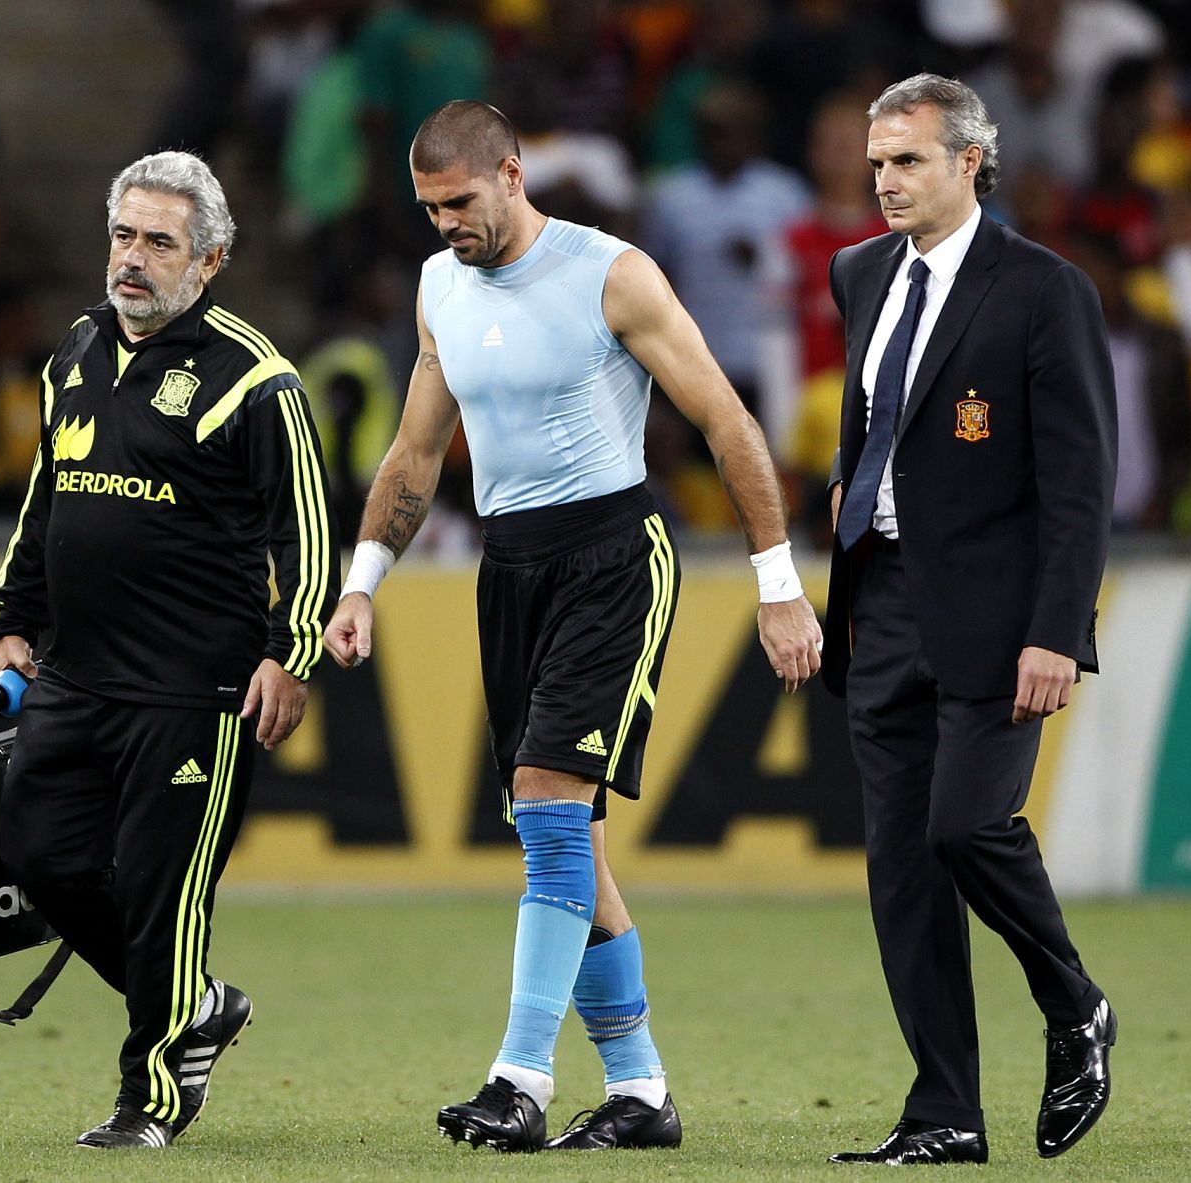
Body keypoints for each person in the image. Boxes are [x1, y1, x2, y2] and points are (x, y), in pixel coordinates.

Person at [325, 100, 822, 1153]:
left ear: (512, 174)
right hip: (508, 570)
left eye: (458, 201)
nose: (444, 224)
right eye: (427, 208)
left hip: (613, 557)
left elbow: (726, 421)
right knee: (570, 844)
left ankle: (519, 1075)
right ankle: (640, 1090)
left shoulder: (613, 273)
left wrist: (778, 584)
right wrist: (362, 578)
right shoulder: (437, 288)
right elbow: (417, 453)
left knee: (548, 807)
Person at [0, 151, 336, 1149]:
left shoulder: (256, 381)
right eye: (123, 236)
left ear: (211, 259)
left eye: (159, 243)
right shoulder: (75, 353)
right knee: (40, 860)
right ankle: (199, 1005)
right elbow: (44, 503)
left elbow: (304, 533)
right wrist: (14, 618)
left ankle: (153, 1099)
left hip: (192, 688)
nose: (131, 260)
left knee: (158, 891)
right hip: (75, 673)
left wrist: (291, 651)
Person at [820, 75, 1117, 1165]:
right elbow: (874, 426)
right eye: (877, 160)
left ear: (969, 162)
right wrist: (848, 532)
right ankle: (943, 1108)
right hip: (884, 604)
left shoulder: (1043, 289)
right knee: (901, 869)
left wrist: (1058, 629)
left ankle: (1073, 1002)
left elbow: (1081, 482)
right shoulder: (858, 274)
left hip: (1000, 617)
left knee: (966, 826)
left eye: (906, 160)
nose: (883, 181)